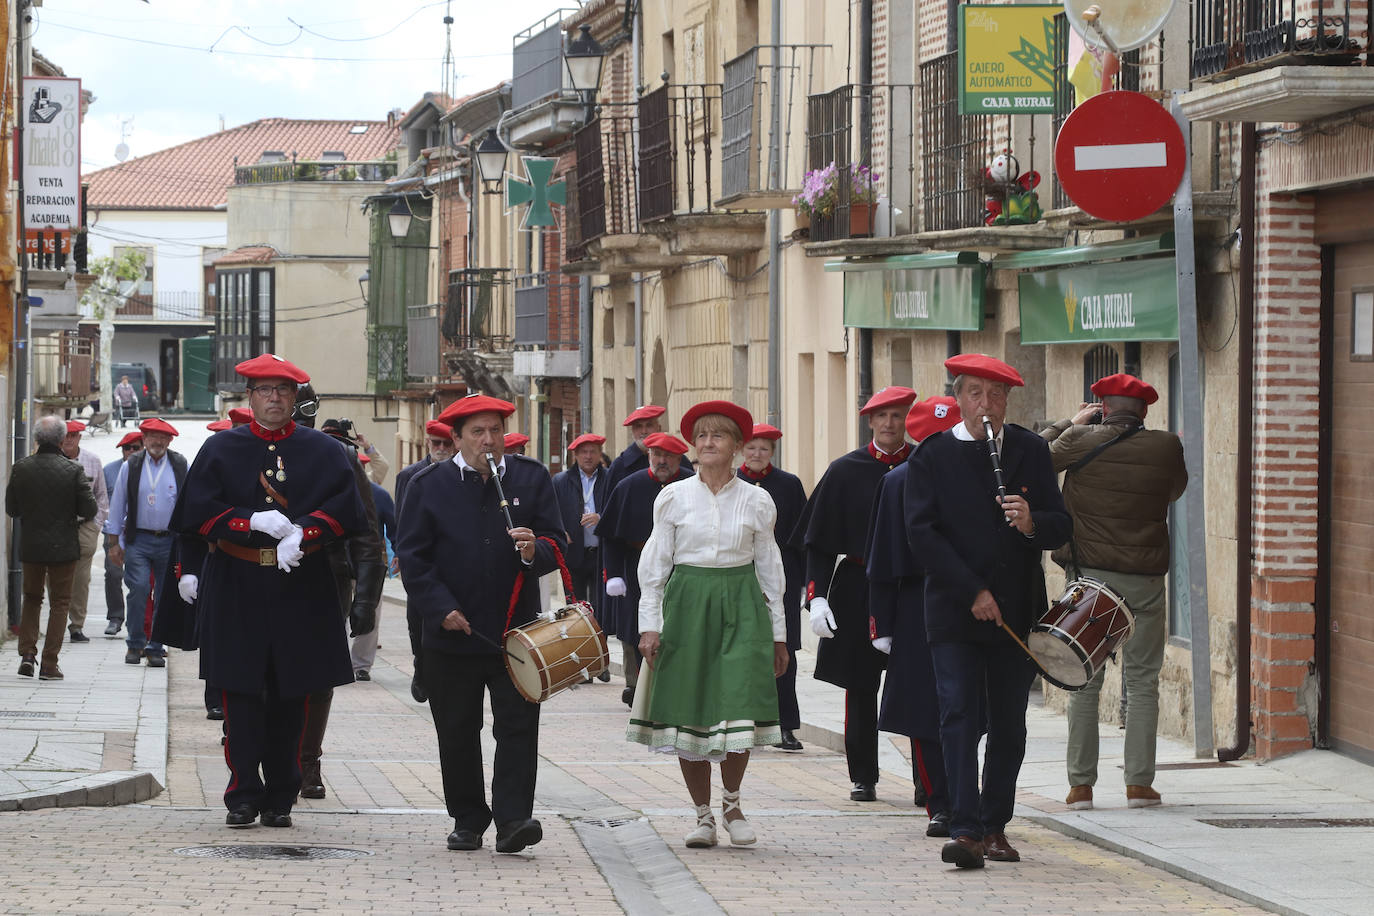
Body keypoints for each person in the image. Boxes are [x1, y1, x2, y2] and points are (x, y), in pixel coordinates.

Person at [168, 354, 370, 829]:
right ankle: (242, 793)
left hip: (301, 584)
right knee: (239, 692)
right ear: (250, 397)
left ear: (296, 397)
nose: (274, 398)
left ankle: (282, 792)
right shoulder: (220, 450)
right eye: (264, 391)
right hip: (237, 583)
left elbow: (348, 509)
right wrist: (247, 521)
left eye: (283, 390)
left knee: (292, 693)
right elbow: (195, 512)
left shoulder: (324, 450)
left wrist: (308, 532)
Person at [905, 353, 1071, 869]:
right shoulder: (931, 455)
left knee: (1008, 722)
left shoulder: (1028, 449)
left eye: (995, 396)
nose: (986, 405)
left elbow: (1060, 524)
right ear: (958, 399)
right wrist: (971, 590)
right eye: (975, 394)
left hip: (1016, 611)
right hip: (955, 609)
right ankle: (965, 826)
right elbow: (921, 534)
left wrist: (1030, 524)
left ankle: (996, 823)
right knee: (957, 714)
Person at [396, 393, 566, 854]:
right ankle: (468, 817)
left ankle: (514, 820)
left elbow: (557, 540)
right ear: (455, 439)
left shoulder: (530, 478)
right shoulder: (426, 485)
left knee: (517, 727)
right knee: (456, 729)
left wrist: (535, 550)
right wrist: (440, 607)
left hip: (517, 635)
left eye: (496, 431)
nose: (489, 441)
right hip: (453, 632)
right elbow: (412, 557)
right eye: (478, 432)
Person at [630, 400, 788, 849]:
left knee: (739, 703)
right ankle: (702, 816)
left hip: (742, 606)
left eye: (718, 435)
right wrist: (650, 625)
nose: (708, 442)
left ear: (738, 446)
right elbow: (655, 566)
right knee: (688, 711)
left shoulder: (758, 500)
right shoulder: (673, 497)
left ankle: (733, 804)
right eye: (701, 436)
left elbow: (770, 570)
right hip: (687, 607)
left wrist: (779, 634)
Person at [1041, 373, 1188, 811]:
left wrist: (1070, 423)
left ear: (1102, 407)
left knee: (1084, 679)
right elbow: (1175, 490)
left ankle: (1081, 786)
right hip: (1144, 582)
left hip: (1091, 583)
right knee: (1143, 681)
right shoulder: (1166, 447)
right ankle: (1140, 785)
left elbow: (1036, 458)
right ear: (1144, 411)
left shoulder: (1079, 440)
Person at [795, 385, 916, 802]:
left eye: (897, 416)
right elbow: (819, 541)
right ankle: (863, 775)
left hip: (909, 589)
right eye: (881, 416)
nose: (888, 424)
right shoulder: (845, 470)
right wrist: (817, 597)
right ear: (869, 421)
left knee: (918, 686)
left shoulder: (924, 464)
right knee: (860, 688)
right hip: (857, 585)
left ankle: (928, 780)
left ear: (907, 420)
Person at [865, 395, 964, 838]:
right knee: (925, 711)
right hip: (915, 602)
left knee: (964, 707)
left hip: (967, 598)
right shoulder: (898, 482)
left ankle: (958, 798)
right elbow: (883, 559)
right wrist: (882, 624)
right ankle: (939, 801)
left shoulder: (980, 475)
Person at [298, 384, 386, 798]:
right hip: (262, 577)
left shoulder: (341, 457)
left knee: (318, 677)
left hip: (328, 576)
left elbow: (366, 533)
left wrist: (366, 598)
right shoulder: (244, 450)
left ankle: (308, 761)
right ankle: (267, 757)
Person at [596, 432, 695, 706]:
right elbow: (611, 536)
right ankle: (644, 691)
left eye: (668, 456)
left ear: (679, 458)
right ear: (648, 455)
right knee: (639, 630)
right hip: (637, 569)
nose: (661, 461)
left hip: (684, 570)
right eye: (656, 455)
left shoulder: (693, 484)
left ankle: (680, 688)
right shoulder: (628, 486)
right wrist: (613, 574)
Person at [7, 415, 99, 680]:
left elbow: (12, 508)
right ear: (62, 439)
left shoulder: (21, 468)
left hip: (32, 544)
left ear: (36, 439)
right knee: (60, 602)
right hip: (63, 546)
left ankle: (27, 654)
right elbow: (89, 509)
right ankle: (49, 664)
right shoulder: (73, 470)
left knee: (32, 598)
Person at [736, 423, 808, 751]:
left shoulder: (789, 485)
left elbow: (802, 535)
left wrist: (806, 581)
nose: (756, 454)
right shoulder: (732, 483)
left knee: (784, 648)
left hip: (782, 579)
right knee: (742, 650)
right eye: (751, 448)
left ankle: (785, 725)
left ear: (772, 452)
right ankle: (744, 721)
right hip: (739, 578)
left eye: (763, 449)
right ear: (741, 450)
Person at [105, 417, 186, 668]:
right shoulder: (133, 465)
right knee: (139, 588)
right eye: (152, 437)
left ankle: (155, 647)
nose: (157, 442)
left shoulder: (180, 464)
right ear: (144, 439)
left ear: (170, 440)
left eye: (162, 437)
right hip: (138, 539)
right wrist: (113, 543)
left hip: (169, 540)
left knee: (164, 595)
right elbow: (118, 503)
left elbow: (189, 503)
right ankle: (135, 643)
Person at [393, 419, 457, 704]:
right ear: (427, 442)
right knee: (416, 616)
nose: (441, 449)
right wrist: (399, 552)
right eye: (436, 443)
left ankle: (443, 669)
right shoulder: (409, 476)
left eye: (446, 444)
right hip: (418, 556)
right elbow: (400, 520)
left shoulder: (460, 474)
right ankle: (421, 665)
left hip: (451, 557)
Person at [60, 420, 109, 643]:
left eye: (74, 435)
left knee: (81, 579)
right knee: (57, 576)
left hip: (85, 526)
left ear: (80, 437)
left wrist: (97, 523)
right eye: (66, 435)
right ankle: (57, 621)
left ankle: (76, 625)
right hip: (58, 528)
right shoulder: (52, 460)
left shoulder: (92, 460)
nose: (69, 439)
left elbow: (101, 495)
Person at [350, 455, 396, 682]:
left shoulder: (379, 495)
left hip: (369, 563)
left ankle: (361, 665)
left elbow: (394, 525)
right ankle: (337, 660)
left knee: (370, 612)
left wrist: (399, 553)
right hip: (339, 561)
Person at [102, 431, 142, 636]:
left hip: (140, 532)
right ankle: (115, 617)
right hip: (115, 531)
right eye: (128, 448)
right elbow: (99, 497)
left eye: (136, 447)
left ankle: (140, 623)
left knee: (139, 580)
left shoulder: (149, 470)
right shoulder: (109, 470)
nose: (132, 452)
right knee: (113, 573)